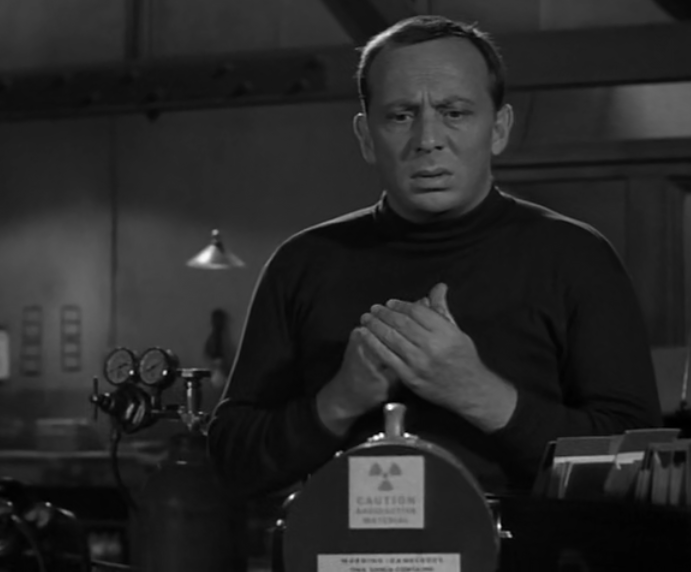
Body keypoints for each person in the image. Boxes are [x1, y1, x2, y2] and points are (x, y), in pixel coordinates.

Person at [207, 15, 662, 497]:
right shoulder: (304, 263)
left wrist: (476, 391)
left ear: (500, 128)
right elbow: (232, 459)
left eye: (455, 113)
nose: (427, 139)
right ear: (366, 136)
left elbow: (638, 463)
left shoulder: (576, 257)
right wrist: (339, 400)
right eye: (401, 116)